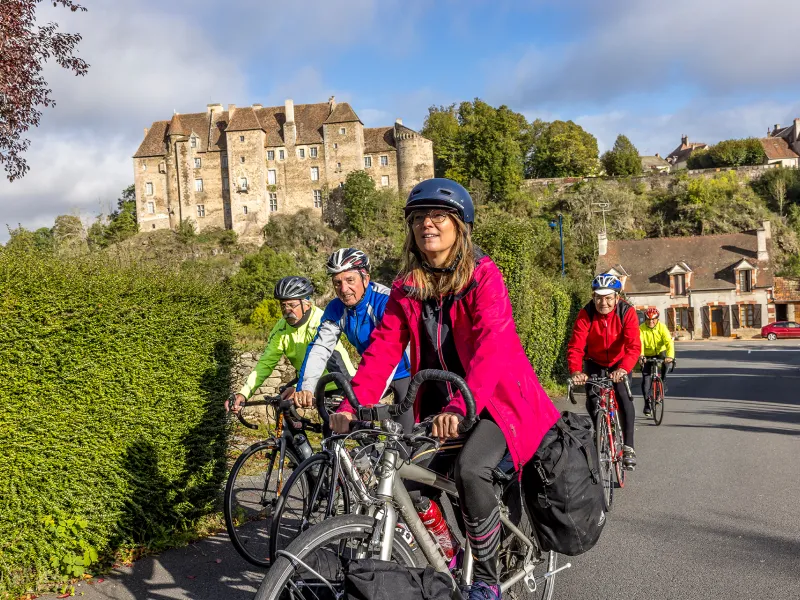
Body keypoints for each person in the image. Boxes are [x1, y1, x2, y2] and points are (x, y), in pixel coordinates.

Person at [328, 178, 561, 600]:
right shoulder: (406, 286)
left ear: (459, 224)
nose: (426, 224)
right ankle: (451, 557)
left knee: (471, 470)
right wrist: (350, 404)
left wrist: (460, 405)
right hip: (441, 407)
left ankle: (486, 581)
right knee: (409, 483)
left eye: (437, 216)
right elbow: (382, 350)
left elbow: (492, 348)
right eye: (418, 218)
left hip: (499, 403)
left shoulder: (484, 277)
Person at [292, 248, 415, 434]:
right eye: (337, 282)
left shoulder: (385, 300)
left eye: (350, 280)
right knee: (343, 426)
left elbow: (389, 354)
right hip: (371, 372)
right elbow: (320, 347)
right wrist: (306, 386)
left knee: (405, 437)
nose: (343, 289)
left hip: (405, 373)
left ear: (365, 278)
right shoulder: (336, 308)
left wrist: (361, 402)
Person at [225, 276, 354, 414]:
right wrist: (244, 393)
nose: (287, 310)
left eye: (292, 305)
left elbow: (320, 360)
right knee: (285, 409)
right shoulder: (281, 329)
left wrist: (299, 389)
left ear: (307, 304)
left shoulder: (320, 322)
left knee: (337, 431)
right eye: (283, 305)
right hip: (309, 386)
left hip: (340, 383)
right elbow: (265, 363)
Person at [566, 274, 641, 469]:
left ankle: (628, 447)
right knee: (592, 400)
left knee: (623, 397)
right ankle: (600, 430)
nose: (603, 302)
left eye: (608, 297)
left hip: (619, 363)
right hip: (595, 362)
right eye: (598, 297)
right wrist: (576, 371)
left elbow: (633, 346)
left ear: (617, 297)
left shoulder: (627, 312)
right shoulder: (586, 314)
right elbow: (576, 347)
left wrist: (624, 368)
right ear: (593, 296)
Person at [639, 307, 675, 416]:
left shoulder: (662, 327)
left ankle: (662, 381)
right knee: (646, 379)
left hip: (660, 351)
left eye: (653, 319)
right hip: (647, 353)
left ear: (657, 319)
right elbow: (639, 343)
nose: (651, 322)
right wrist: (641, 355)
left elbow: (669, 342)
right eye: (648, 320)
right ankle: (647, 404)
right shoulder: (641, 328)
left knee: (666, 363)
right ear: (645, 319)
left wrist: (670, 356)